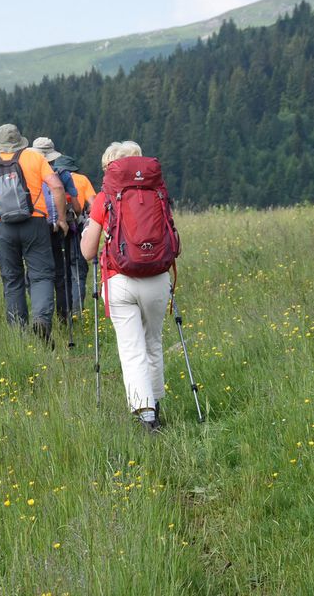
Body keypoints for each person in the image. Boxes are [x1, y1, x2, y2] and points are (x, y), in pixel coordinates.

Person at [80, 141, 178, 432]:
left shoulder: (105, 196)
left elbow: (88, 252)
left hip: (120, 280)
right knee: (153, 344)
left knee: (132, 349)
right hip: (158, 277)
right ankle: (156, 404)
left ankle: (146, 415)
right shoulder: (157, 191)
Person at [0, 123, 67, 342]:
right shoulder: (34, 158)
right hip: (35, 223)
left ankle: (18, 335)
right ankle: (42, 320)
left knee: (12, 279)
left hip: (3, 227)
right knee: (41, 275)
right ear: (19, 141)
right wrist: (61, 219)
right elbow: (57, 187)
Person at [30, 137, 81, 321]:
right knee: (62, 273)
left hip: (34, 227)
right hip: (59, 229)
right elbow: (76, 207)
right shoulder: (64, 174)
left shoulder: (29, 173)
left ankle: (41, 315)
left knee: (37, 273)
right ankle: (63, 316)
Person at [70, 170, 98, 307]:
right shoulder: (81, 179)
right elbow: (94, 204)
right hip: (76, 226)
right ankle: (76, 310)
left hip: (48, 227)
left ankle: (60, 313)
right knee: (78, 269)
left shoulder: (49, 175)